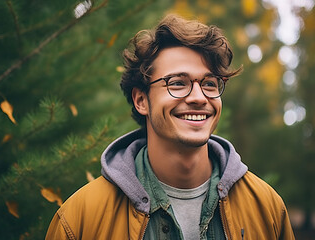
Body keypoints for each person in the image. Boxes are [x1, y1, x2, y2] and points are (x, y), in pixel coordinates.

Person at [45, 14, 294, 240]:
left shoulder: (267, 208)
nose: (198, 97)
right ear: (141, 100)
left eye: (209, 83)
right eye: (177, 82)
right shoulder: (79, 220)